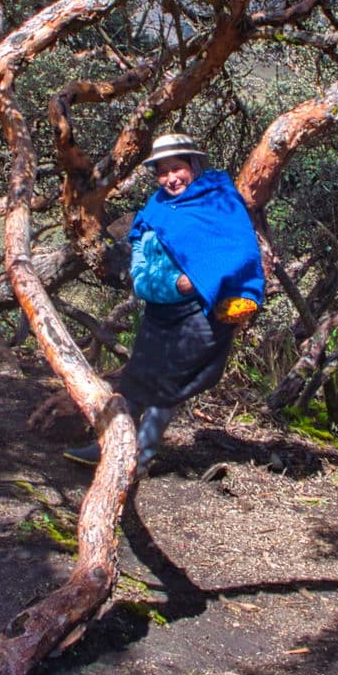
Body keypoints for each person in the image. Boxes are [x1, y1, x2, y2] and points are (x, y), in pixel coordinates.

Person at [65, 134, 265, 473]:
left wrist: (204, 280)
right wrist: (168, 282)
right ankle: (109, 446)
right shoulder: (156, 207)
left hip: (201, 314)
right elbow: (140, 259)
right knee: (136, 379)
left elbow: (240, 250)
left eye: (178, 168)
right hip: (160, 312)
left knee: (167, 384)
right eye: (163, 172)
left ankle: (138, 458)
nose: (171, 178)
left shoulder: (219, 200)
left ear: (193, 165)